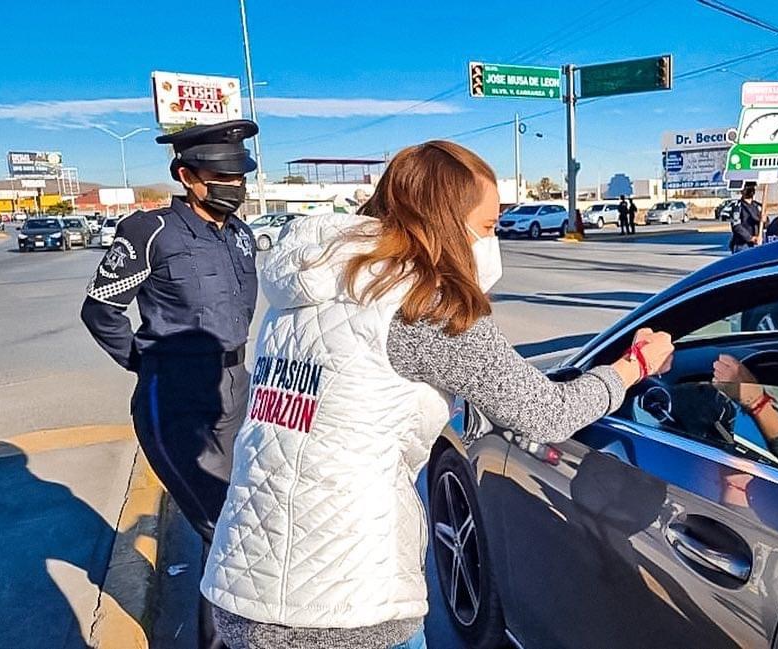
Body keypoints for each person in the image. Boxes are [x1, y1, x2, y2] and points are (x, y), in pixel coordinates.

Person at [200, 140, 675, 649]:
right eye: (489, 227)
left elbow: (357, 398)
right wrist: (634, 367)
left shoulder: (313, 287)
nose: (492, 243)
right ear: (446, 220)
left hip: (244, 580)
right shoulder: (424, 304)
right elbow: (547, 412)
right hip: (342, 601)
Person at [80, 119, 260, 649]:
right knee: (225, 529)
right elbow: (101, 311)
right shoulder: (148, 231)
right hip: (175, 396)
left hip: (235, 386)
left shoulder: (243, 235)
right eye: (220, 176)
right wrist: (150, 362)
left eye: (240, 176)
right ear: (185, 175)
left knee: (239, 516)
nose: (235, 186)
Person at [727, 183, 762, 253]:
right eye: (747, 189)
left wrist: (764, 220)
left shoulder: (758, 206)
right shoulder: (737, 207)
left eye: (752, 188)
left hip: (757, 243)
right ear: (742, 191)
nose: (750, 191)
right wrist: (750, 238)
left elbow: (765, 225)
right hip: (742, 244)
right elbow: (736, 226)